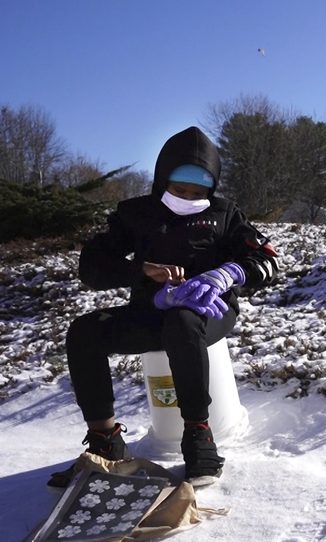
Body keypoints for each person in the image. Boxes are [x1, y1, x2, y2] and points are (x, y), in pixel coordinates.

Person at [49, 126, 280, 488]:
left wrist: (228, 273)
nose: (188, 197)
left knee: (182, 322)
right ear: (162, 181)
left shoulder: (225, 214)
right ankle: (105, 441)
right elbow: (91, 267)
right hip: (148, 311)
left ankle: (198, 434)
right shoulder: (135, 214)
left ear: (211, 189)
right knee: (84, 332)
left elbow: (267, 261)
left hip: (209, 314)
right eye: (179, 189)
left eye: (198, 192)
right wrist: (139, 272)